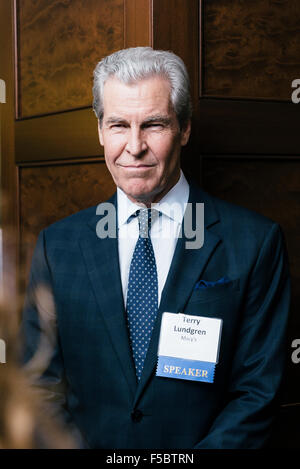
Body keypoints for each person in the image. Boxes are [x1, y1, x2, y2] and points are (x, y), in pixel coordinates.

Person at [21, 47, 290, 449]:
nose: (134, 146)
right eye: (118, 125)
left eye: (153, 125)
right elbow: (38, 385)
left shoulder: (254, 242)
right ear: (99, 130)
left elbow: (257, 391)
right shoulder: (57, 246)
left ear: (183, 129)